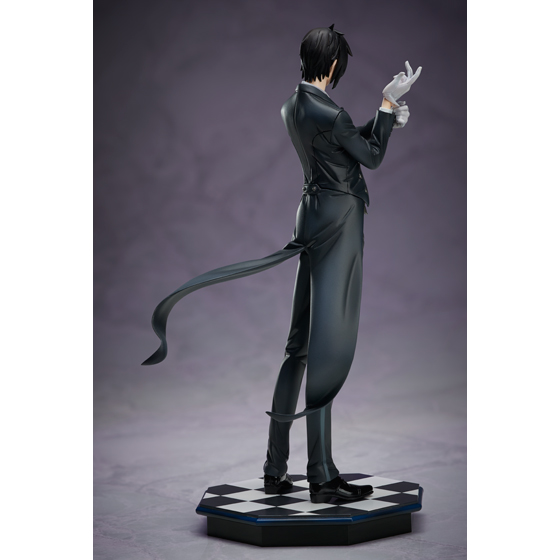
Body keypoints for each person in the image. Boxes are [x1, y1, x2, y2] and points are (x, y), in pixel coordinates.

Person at [142, 25, 421, 504]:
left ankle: (275, 469)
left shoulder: (294, 105)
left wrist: (385, 118)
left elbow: (341, 148)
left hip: (311, 213)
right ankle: (322, 476)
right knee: (328, 344)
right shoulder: (331, 111)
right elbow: (369, 157)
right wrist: (386, 105)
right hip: (338, 221)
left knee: (299, 347)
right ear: (332, 64)